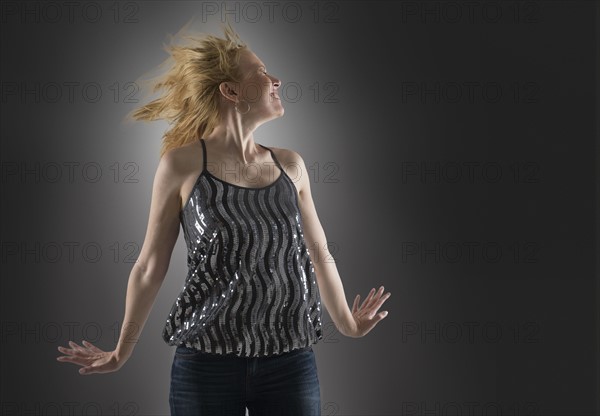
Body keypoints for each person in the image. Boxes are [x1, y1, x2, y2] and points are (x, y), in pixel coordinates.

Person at [56, 21, 391, 415]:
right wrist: (121, 351)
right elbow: (149, 267)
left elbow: (319, 252)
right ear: (230, 91)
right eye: (262, 73)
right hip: (205, 362)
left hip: (290, 360)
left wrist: (348, 326)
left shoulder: (291, 165)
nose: (275, 80)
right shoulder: (181, 165)